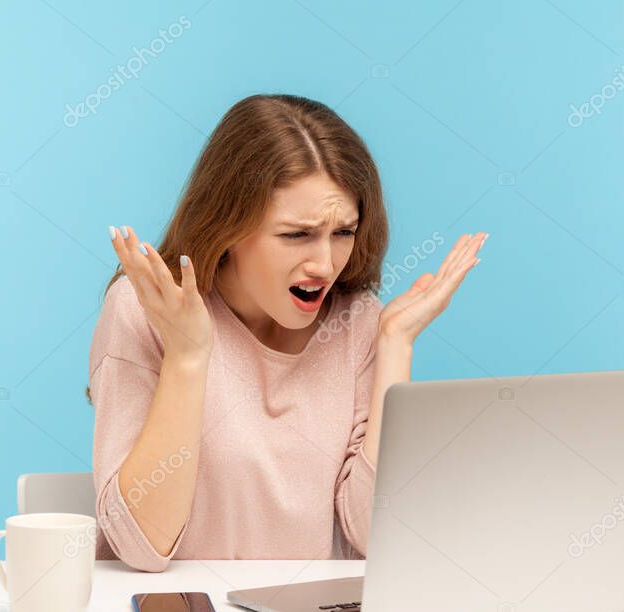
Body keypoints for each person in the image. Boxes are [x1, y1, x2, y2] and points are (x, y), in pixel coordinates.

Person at [87, 94, 487, 571]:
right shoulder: (145, 310)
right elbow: (141, 547)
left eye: (343, 232)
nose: (324, 264)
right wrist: (188, 357)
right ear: (229, 227)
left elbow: (372, 536)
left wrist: (395, 344)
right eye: (296, 234)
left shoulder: (357, 323)